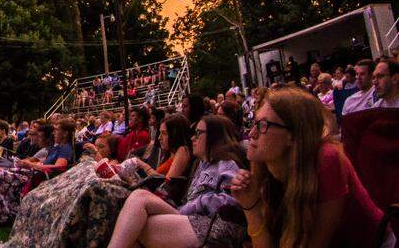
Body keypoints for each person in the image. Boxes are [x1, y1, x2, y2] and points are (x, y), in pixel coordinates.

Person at [230, 86, 390, 248]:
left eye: (263, 125)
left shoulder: (326, 159)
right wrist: (250, 206)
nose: (251, 133)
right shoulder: (267, 167)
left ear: (293, 135)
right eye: (255, 123)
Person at [107, 115, 247, 248]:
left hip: (214, 225)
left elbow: (233, 200)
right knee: (136, 209)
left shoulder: (227, 164)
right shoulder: (201, 165)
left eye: (198, 133)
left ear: (214, 136)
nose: (193, 138)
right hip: (190, 216)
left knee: (135, 221)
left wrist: (198, 203)